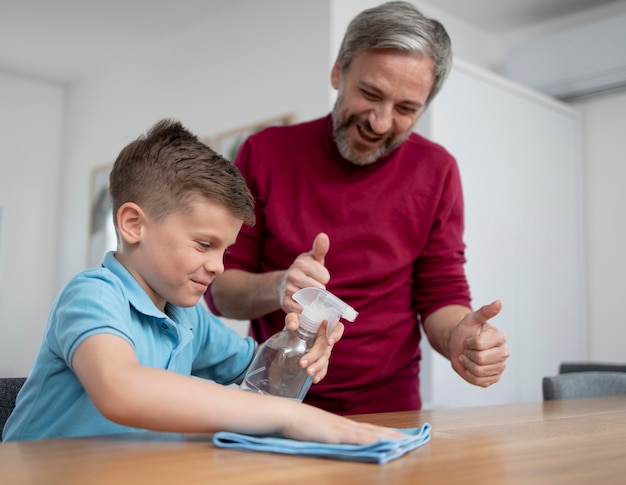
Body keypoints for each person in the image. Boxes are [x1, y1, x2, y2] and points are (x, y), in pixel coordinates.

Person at [2, 119, 405, 443]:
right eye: (203, 244)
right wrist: (286, 416)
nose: (217, 266)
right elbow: (119, 388)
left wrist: (303, 347)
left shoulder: (187, 317)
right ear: (133, 224)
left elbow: (261, 378)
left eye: (224, 251)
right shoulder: (92, 295)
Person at [206, 1, 510, 415]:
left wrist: (459, 337)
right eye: (370, 94)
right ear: (338, 72)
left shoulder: (437, 171)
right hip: (277, 399)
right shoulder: (264, 152)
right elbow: (221, 292)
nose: (381, 123)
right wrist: (281, 286)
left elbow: (441, 293)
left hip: (389, 409)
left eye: (406, 109)